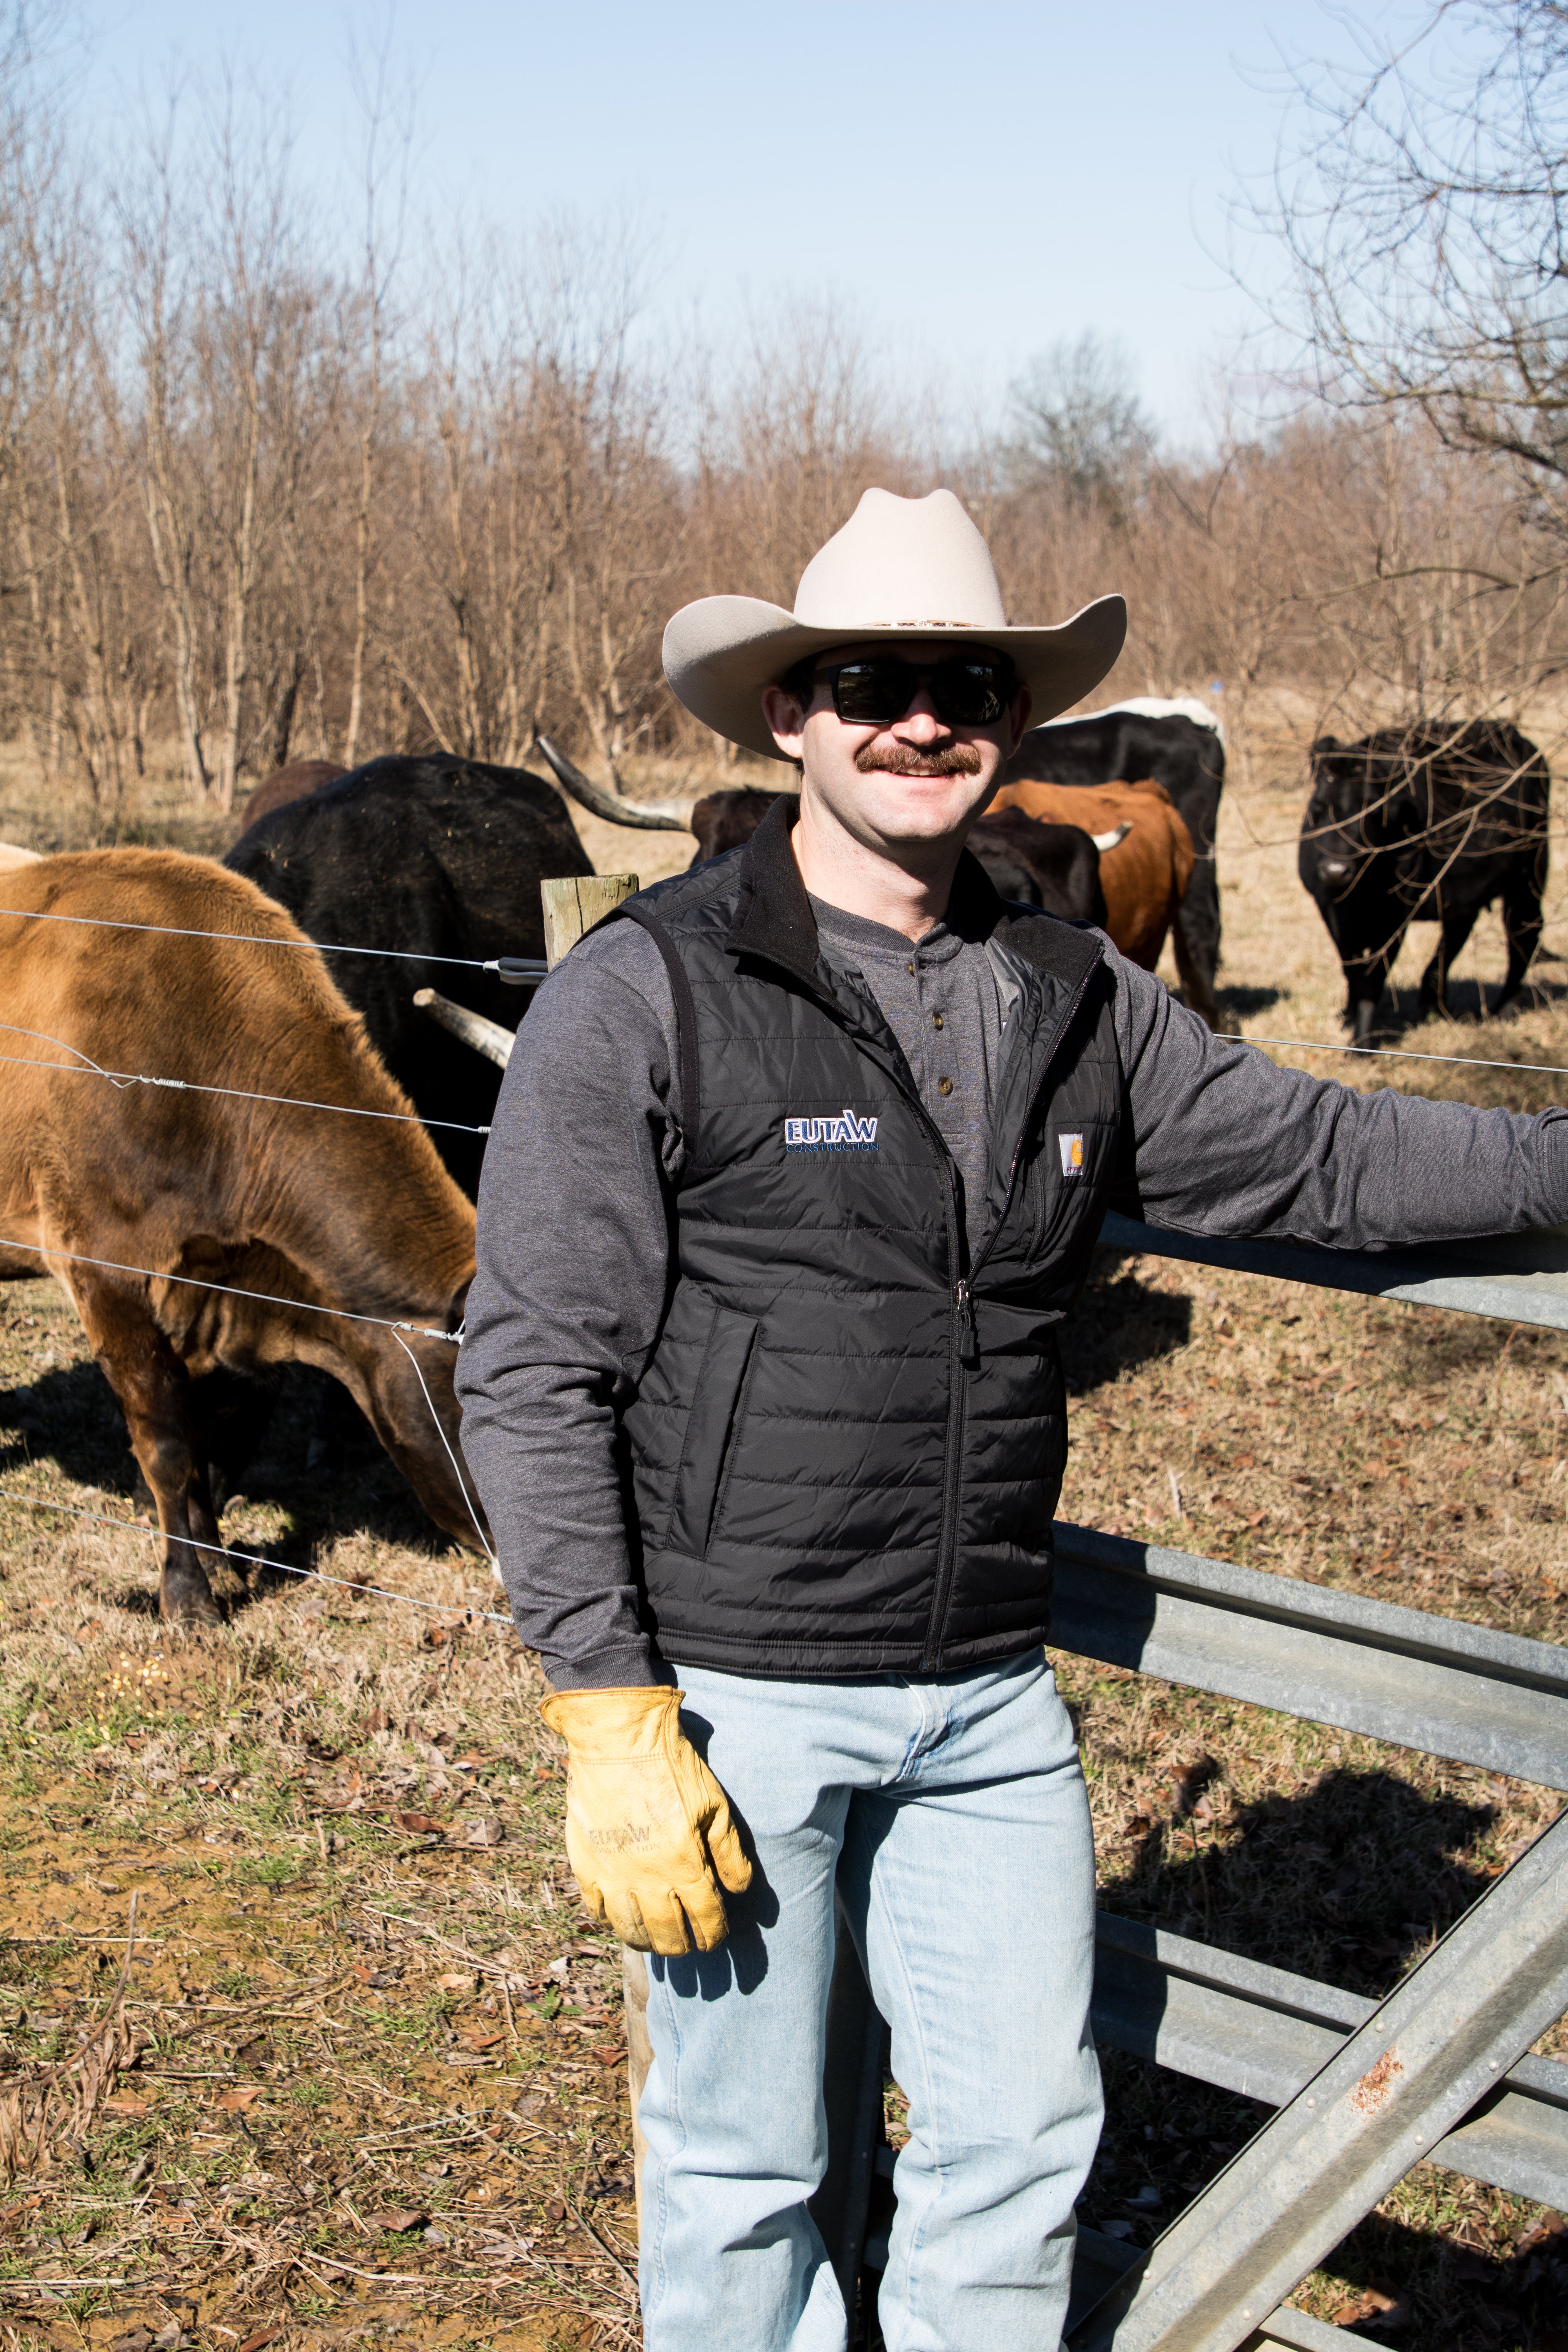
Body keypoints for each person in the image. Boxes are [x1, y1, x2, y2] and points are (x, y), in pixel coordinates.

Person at [456, 488, 1568, 2352]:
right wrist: (607, 1712)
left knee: (1023, 2146)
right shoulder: (646, 987)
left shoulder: (1068, 991)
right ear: (793, 717)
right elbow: (532, 1360)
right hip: (737, 1697)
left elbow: (1317, 1152)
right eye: (872, 681)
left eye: (963, 682)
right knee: (742, 2169)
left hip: (988, 1694)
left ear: (1008, 720)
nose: (921, 717)